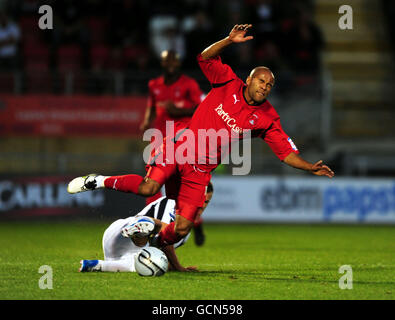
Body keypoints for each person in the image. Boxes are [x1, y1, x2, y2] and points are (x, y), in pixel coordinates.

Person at [69, 24, 334, 250]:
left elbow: (285, 153)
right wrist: (229, 40)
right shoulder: (227, 81)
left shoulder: (266, 117)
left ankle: (154, 245)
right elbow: (204, 58)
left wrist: (310, 167)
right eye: (261, 81)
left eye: (269, 85)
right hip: (179, 148)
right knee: (149, 188)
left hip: (200, 169)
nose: (264, 87)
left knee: (183, 228)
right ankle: (99, 180)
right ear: (249, 79)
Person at [79, 183, 213, 273]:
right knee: (161, 228)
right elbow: (166, 242)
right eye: (199, 199)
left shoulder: (186, 228)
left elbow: (163, 250)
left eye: (206, 201)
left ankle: (96, 265)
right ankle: (143, 224)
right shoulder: (173, 203)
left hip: (119, 250)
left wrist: (172, 266)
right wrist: (179, 268)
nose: (202, 205)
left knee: (146, 265)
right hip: (120, 234)